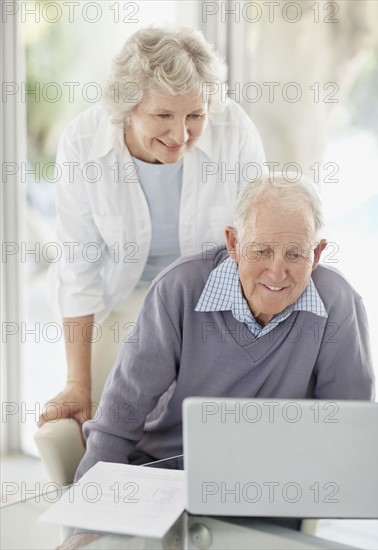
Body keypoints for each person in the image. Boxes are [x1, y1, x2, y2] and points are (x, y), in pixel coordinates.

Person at [75, 174, 374, 481]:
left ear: (317, 255)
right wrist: (86, 519)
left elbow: (348, 431)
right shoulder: (178, 289)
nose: (277, 272)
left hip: (277, 483)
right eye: (261, 251)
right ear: (234, 243)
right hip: (170, 470)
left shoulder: (337, 302)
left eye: (295, 254)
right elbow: (115, 426)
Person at [38, 26, 265, 428]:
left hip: (214, 299)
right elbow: (78, 272)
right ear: (127, 107)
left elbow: (259, 240)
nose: (180, 135)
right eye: (163, 115)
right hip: (126, 299)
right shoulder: (82, 143)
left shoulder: (235, 131)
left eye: (195, 115)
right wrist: (77, 383)